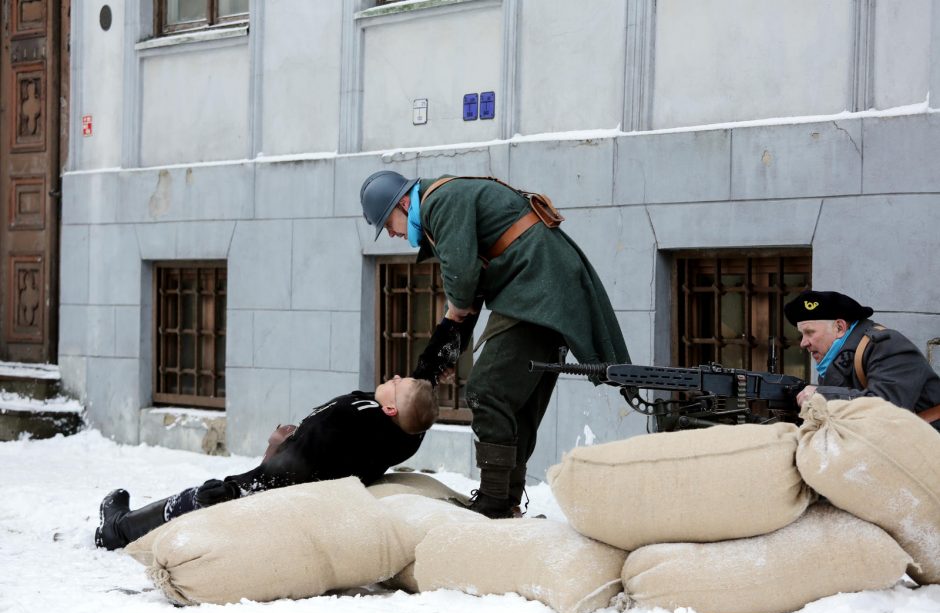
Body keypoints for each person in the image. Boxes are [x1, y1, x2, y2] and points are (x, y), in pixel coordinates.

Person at [360, 171, 630, 518]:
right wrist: (438, 362)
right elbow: (465, 299)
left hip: (537, 288)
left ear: (403, 203)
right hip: (543, 288)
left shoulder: (438, 202)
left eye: (389, 223)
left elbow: (463, 285)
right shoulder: (443, 203)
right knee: (515, 403)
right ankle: (506, 500)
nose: (394, 234)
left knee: (487, 391)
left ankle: (492, 502)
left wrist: (444, 344)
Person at [95, 376, 438, 550]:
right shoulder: (407, 434)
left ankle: (117, 529)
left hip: (283, 491)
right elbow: (420, 393)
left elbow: (295, 469)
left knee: (205, 496)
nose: (394, 376)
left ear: (390, 409)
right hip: (304, 486)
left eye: (397, 384)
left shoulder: (351, 420)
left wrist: (250, 475)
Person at [784, 289, 940, 433]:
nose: (803, 343)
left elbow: (887, 407)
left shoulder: (886, 344)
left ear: (839, 327)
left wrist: (820, 395)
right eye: (802, 335)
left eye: (809, 332)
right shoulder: (836, 360)